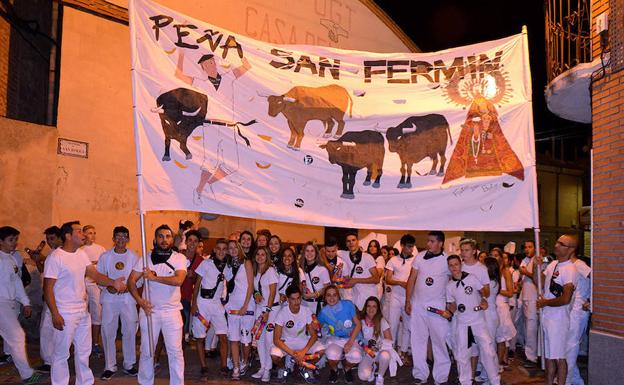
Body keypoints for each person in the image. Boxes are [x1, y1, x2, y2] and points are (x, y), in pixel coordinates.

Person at [44, 221, 126, 385]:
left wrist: (113, 282)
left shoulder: (81, 254)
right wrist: (55, 314)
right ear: (68, 235)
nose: (83, 235)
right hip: (64, 312)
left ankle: (85, 382)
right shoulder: (55, 258)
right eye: (79, 231)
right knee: (61, 354)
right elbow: (48, 288)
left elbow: (95, 275)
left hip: (82, 311)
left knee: (83, 352)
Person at [127, 224, 187, 385]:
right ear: (155, 239)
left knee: (175, 352)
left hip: (172, 312)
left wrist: (154, 278)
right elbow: (131, 281)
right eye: (160, 236)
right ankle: (145, 382)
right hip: (149, 311)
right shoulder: (146, 258)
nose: (164, 239)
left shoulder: (179, 258)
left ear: (172, 239)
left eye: (168, 236)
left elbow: (178, 280)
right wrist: (140, 302)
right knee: (147, 351)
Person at [445, 254, 500, 385]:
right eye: (451, 265)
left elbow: (484, 293)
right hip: (463, 323)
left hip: (478, 321)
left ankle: (495, 380)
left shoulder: (472, 278)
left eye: (456, 264)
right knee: (462, 354)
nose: (454, 268)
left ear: (461, 264)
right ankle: (465, 381)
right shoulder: (449, 286)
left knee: (488, 351)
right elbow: (451, 304)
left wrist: (484, 301)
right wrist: (450, 311)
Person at [405, 231, 451, 384]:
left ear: (440, 243)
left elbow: (452, 283)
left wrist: (450, 307)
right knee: (417, 340)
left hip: (438, 306)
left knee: (439, 341)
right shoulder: (420, 256)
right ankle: (420, 373)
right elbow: (411, 278)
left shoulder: (447, 260)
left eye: (432, 241)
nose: (428, 244)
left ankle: (442, 376)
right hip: (418, 305)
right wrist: (408, 301)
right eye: (428, 241)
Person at [97, 226, 140, 380]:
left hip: (128, 298)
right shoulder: (105, 256)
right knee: (108, 331)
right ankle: (109, 365)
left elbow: (138, 280)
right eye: (118, 236)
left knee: (129, 331)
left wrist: (128, 288)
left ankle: (129, 364)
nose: (121, 239)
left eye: (124, 236)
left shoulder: (134, 257)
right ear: (113, 239)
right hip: (110, 298)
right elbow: (99, 277)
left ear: (128, 239)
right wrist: (110, 287)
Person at [0, 226, 41, 384]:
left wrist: (25, 303)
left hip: (9, 303)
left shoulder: (11, 258)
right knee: (17, 336)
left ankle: (14, 360)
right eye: (11, 240)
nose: (15, 243)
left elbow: (17, 283)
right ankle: (27, 375)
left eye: (16, 239)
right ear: (1, 241)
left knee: (13, 337)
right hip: (1, 303)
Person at [535, 234, 578, 385]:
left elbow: (566, 299)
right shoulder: (553, 264)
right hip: (547, 316)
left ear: (571, 249)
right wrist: (537, 266)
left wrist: (545, 302)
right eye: (557, 241)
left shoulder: (570, 269)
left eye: (561, 244)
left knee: (560, 357)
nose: (556, 245)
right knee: (548, 356)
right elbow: (538, 281)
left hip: (559, 320)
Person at [191, 238, 231, 377]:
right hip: (202, 303)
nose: (221, 251)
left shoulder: (228, 267)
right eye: (218, 248)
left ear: (227, 251)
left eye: (224, 249)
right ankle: (203, 366)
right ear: (214, 250)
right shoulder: (206, 263)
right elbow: (197, 284)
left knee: (223, 336)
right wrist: (194, 304)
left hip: (216, 304)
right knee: (200, 337)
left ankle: (224, 365)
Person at [271, 284, 325, 382]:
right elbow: (276, 340)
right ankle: (283, 368)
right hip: (287, 341)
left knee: (321, 351)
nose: (297, 302)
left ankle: (306, 368)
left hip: (302, 340)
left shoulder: (306, 310)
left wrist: (303, 352)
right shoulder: (282, 313)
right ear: (287, 299)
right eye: (293, 299)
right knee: (274, 355)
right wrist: (294, 354)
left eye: (298, 298)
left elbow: (314, 335)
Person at [317, 285, 363, 384]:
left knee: (356, 356)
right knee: (332, 355)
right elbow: (318, 326)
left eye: (334, 295)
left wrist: (350, 342)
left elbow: (358, 324)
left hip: (352, 337)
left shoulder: (348, 304)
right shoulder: (323, 312)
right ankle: (334, 370)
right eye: (328, 295)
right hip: (335, 339)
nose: (332, 298)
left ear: (339, 296)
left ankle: (347, 369)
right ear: (325, 297)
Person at [225, 239, 254, 380]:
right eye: (230, 248)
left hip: (246, 305)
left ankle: (245, 360)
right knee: (234, 338)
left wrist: (245, 305)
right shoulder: (227, 265)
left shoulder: (246, 263)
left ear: (240, 248)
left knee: (245, 339)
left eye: (235, 247)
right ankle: (236, 366)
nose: (233, 250)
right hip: (232, 305)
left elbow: (250, 285)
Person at [384, 234, 416, 360]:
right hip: (395, 296)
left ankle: (403, 352)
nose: (411, 249)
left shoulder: (416, 260)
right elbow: (388, 279)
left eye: (412, 247)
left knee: (407, 326)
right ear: (402, 246)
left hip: (409, 298)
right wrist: (401, 283)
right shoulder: (393, 260)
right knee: (393, 324)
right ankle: (390, 351)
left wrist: (409, 286)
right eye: (409, 247)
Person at [37, 226, 64, 372]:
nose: (49, 242)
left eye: (52, 238)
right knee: (47, 329)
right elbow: (44, 274)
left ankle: (53, 360)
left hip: (58, 298)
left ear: (60, 238)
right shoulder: (51, 254)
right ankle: (49, 360)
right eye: (47, 239)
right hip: (50, 297)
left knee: (52, 329)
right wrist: (38, 260)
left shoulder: (61, 254)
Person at [357, 296, 402, 385]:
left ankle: (380, 376)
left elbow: (389, 341)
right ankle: (372, 368)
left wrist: (378, 347)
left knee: (385, 355)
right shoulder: (360, 321)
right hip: (366, 353)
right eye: (369, 306)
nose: (371, 309)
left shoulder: (382, 321)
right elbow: (357, 339)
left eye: (374, 306)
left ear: (378, 309)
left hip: (379, 352)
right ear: (365, 308)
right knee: (363, 376)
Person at [251, 247, 278, 382]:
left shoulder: (270, 271)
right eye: (258, 254)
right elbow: (255, 289)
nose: (260, 257)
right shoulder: (256, 271)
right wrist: (256, 294)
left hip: (271, 310)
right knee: (259, 339)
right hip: (259, 308)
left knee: (268, 339)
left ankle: (268, 369)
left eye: (263, 254)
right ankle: (262, 366)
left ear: (267, 256)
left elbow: (273, 293)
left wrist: (267, 311)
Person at [80, 225, 106, 357]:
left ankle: (95, 343)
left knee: (97, 312)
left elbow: (104, 265)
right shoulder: (80, 250)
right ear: (84, 234)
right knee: (82, 313)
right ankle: (82, 344)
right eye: (90, 233)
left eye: (94, 233)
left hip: (96, 285)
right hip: (82, 284)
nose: (93, 235)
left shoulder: (100, 249)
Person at [566, 250, 591, 385]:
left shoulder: (579, 264)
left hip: (579, 311)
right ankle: (574, 378)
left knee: (571, 345)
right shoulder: (565, 265)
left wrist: (591, 300)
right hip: (570, 310)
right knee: (567, 346)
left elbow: (595, 278)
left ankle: (568, 379)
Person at [339, 232, 380, 310]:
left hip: (369, 297)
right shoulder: (344, 254)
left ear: (357, 241)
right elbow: (324, 250)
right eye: (348, 241)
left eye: (353, 240)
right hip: (356, 298)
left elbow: (376, 279)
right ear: (346, 244)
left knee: (370, 322)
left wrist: (356, 280)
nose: (351, 243)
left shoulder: (367, 257)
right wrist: (327, 265)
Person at [179, 230, 203, 343]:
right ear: (186, 242)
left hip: (186, 298)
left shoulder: (200, 261)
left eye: (195, 241)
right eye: (190, 240)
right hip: (172, 296)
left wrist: (193, 276)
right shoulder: (178, 255)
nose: (192, 244)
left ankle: (180, 349)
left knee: (184, 327)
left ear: (198, 244)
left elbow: (199, 283)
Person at [519, 240, 539, 367]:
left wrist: (526, 272)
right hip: (525, 296)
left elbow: (539, 279)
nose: (527, 249)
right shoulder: (525, 260)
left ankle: (532, 357)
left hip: (533, 298)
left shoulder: (538, 260)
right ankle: (529, 353)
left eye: (530, 247)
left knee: (531, 327)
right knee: (527, 327)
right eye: (525, 247)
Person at [496, 252, 517, 368]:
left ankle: (499, 364)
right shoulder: (490, 271)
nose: (495, 257)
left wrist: (496, 289)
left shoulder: (506, 272)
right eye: (492, 254)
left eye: (497, 255)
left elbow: (510, 292)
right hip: (491, 306)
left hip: (501, 304)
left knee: (501, 336)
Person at [301, 242, 331, 314]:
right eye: (307, 251)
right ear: (304, 253)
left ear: (316, 253)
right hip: (304, 304)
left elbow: (327, 288)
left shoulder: (322, 269)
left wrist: (314, 295)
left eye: (312, 251)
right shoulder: (300, 269)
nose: (309, 253)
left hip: (318, 305)